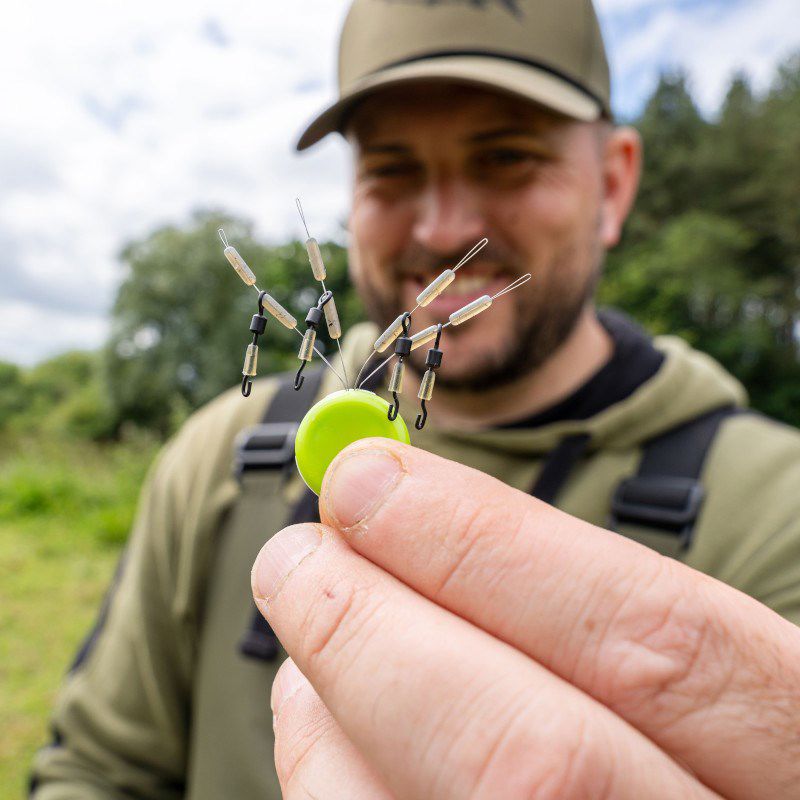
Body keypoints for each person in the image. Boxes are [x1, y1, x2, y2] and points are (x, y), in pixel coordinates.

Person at [31, 0, 800, 798]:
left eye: (507, 156)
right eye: (391, 168)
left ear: (613, 182)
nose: (444, 227)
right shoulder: (213, 457)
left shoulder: (777, 513)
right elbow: (94, 771)